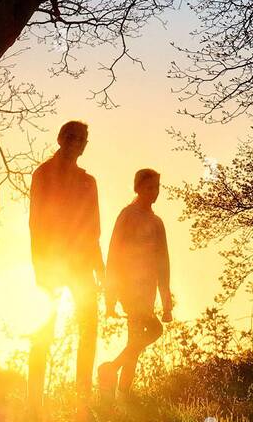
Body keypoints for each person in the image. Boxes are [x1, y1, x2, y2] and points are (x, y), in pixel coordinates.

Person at [28, 120, 104, 405]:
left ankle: (82, 397)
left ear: (85, 145)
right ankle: (34, 401)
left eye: (82, 139)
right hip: (52, 264)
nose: (76, 142)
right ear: (60, 138)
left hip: (83, 265)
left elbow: (94, 228)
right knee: (43, 329)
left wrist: (99, 266)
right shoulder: (43, 174)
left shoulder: (88, 181)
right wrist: (40, 268)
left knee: (89, 327)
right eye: (71, 136)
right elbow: (36, 223)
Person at [98, 168, 173, 398]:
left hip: (148, 288)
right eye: (149, 187)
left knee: (136, 340)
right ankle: (115, 376)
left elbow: (163, 263)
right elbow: (114, 254)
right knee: (151, 331)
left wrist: (166, 302)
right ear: (138, 188)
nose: (154, 192)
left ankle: (120, 387)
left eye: (157, 188)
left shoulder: (157, 222)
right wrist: (110, 298)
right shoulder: (128, 215)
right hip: (129, 287)